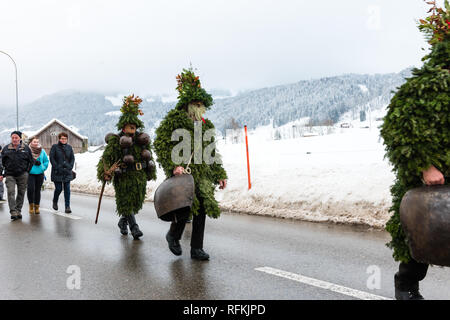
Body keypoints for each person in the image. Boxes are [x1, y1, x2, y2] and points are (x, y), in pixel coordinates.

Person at [380, 1, 449, 300]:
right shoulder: (428, 84)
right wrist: (425, 165)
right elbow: (397, 129)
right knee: (421, 236)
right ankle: (406, 287)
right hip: (427, 183)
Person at [153, 68, 228, 260]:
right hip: (182, 173)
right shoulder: (174, 121)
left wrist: (219, 173)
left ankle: (196, 248)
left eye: (202, 104)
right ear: (188, 104)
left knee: (201, 208)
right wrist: (173, 166)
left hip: (201, 174)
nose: (200, 108)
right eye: (197, 104)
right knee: (184, 207)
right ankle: (173, 235)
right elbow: (161, 145)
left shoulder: (206, 126)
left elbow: (212, 153)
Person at [97, 94, 157, 239]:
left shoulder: (142, 140)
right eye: (130, 124)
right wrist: (104, 172)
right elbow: (105, 159)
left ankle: (122, 222)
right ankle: (134, 228)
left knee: (135, 202)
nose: (133, 127)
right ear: (123, 126)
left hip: (139, 177)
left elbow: (149, 156)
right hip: (123, 176)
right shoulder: (116, 140)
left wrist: (150, 170)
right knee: (126, 201)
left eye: (134, 125)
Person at [0, 131, 34, 220]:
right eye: (13, 138)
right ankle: (13, 211)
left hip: (23, 174)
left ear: (20, 138)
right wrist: (2, 172)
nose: (14, 139)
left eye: (16, 138)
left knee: (21, 193)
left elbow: (31, 161)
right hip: (10, 174)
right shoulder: (6, 148)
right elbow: (2, 162)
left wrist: (27, 171)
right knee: (11, 192)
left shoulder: (26, 148)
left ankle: (18, 210)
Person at [50, 132, 75, 213]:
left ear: (67, 139)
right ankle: (55, 201)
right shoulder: (54, 147)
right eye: (62, 138)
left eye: (65, 138)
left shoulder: (69, 147)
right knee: (59, 188)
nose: (63, 140)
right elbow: (52, 158)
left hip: (67, 172)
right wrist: (57, 167)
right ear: (59, 139)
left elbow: (72, 158)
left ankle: (67, 206)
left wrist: (70, 166)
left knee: (67, 189)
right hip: (57, 172)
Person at [27, 136, 49, 214]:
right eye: (34, 142)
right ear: (31, 142)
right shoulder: (28, 151)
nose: (36, 143)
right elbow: (24, 161)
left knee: (37, 190)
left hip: (40, 173)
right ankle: (31, 205)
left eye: (37, 142)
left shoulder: (42, 151)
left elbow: (46, 161)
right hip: (30, 173)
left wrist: (43, 167)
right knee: (31, 189)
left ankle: (37, 207)